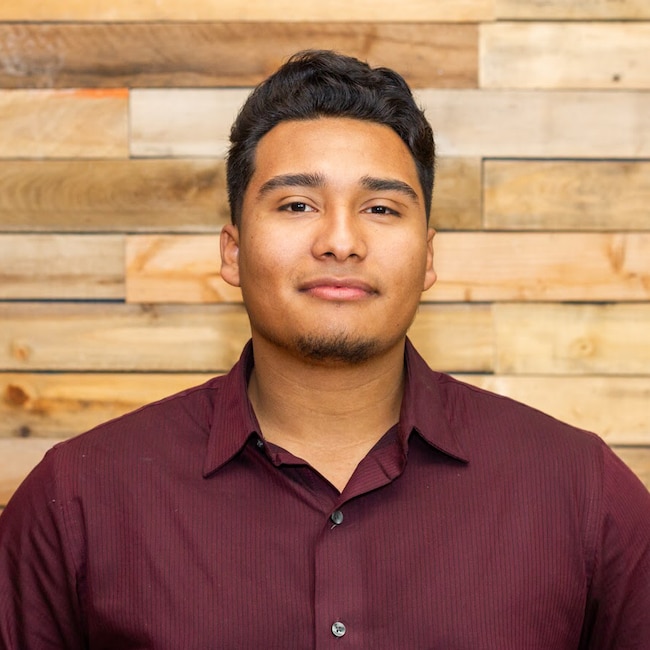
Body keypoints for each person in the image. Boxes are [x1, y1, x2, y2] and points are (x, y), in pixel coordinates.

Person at [1, 50, 649, 650]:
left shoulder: (580, 493)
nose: (341, 241)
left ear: (428, 256)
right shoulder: (79, 500)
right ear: (232, 250)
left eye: (382, 209)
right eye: (297, 204)